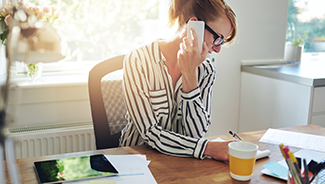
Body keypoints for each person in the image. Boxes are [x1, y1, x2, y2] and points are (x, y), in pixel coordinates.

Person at [119, 0, 237, 161]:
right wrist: (207, 148)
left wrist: (189, 74)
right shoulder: (137, 60)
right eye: (218, 38)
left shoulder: (206, 70)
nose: (217, 48)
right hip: (137, 161)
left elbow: (196, 133)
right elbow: (149, 132)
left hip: (182, 162)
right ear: (194, 26)